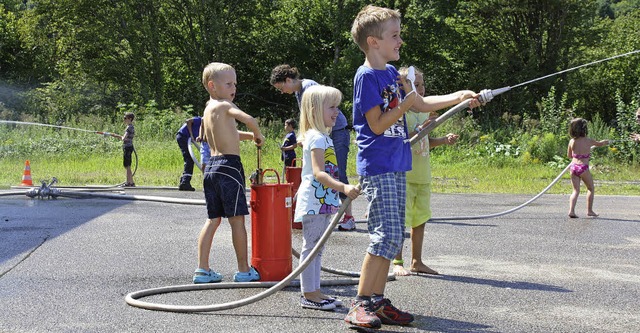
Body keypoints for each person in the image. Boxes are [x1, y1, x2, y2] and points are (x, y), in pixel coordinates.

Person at [346, 5, 480, 329]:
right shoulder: (366, 77)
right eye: (395, 35)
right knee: (383, 236)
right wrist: (404, 105)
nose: (401, 41)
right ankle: (360, 303)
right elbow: (376, 125)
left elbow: (419, 103)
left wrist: (458, 97)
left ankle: (377, 301)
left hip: (396, 164)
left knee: (393, 236)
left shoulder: (393, 74)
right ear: (373, 41)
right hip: (378, 166)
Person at [193, 62, 265, 284]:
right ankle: (244, 270)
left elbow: (224, 133)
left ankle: (202, 269)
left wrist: (249, 136)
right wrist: (258, 134)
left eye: (235, 83)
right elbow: (249, 119)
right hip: (229, 167)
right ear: (212, 86)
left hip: (211, 167)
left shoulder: (208, 109)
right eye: (229, 83)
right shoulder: (224, 106)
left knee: (213, 219)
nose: (234, 87)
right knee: (237, 221)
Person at [295, 85, 361, 310]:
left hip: (323, 200)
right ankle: (308, 294)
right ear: (314, 110)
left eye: (338, 107)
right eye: (331, 107)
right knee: (311, 245)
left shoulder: (323, 136)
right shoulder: (316, 138)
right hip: (314, 200)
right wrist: (343, 187)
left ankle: (315, 290)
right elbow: (318, 172)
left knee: (318, 246)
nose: (337, 112)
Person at [392, 66, 461, 276]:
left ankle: (417, 261)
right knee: (400, 220)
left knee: (420, 219)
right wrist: (422, 129)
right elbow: (405, 139)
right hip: (405, 175)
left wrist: (442, 141)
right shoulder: (399, 113)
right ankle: (397, 261)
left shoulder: (423, 114)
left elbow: (425, 142)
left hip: (423, 175)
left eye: (422, 85)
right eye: (416, 85)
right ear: (402, 87)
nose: (421, 89)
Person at [270, 65, 357, 231]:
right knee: (323, 173)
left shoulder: (309, 87)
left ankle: (348, 217)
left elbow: (317, 114)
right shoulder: (299, 92)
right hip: (324, 134)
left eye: (281, 88)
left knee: (338, 173)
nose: (282, 92)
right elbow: (308, 118)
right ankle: (331, 213)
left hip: (336, 132)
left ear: (288, 80)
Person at [567, 118, 609, 218]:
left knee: (575, 191)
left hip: (573, 167)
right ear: (584, 129)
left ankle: (571, 211)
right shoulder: (588, 140)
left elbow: (569, 155)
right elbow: (599, 144)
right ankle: (589, 211)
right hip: (583, 167)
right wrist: (605, 142)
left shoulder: (572, 141)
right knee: (590, 188)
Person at [176, 116, 202, 191]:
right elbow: (188, 121)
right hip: (183, 136)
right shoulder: (200, 120)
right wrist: (191, 134)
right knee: (189, 160)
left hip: (185, 137)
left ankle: (184, 181)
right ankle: (185, 182)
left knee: (189, 160)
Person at [114, 112, 135, 187]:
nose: (124, 120)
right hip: (130, 147)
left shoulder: (128, 128)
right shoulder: (132, 127)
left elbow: (124, 138)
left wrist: (116, 136)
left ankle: (128, 183)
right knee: (128, 165)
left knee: (127, 166)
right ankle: (131, 182)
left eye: (125, 118)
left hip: (127, 147)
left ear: (130, 119)